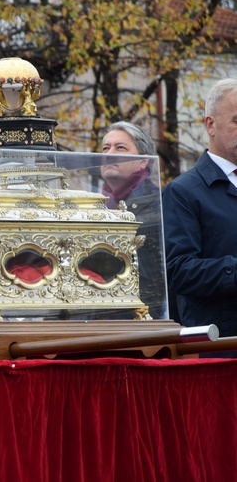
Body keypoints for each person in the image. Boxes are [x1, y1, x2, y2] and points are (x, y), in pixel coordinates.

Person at [163, 78, 237, 353]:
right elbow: (177, 271)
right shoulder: (183, 192)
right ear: (210, 125)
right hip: (219, 351)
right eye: (236, 120)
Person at [100, 121, 166, 319]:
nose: (109, 154)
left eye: (120, 147)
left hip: (143, 319)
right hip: (99, 318)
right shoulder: (97, 206)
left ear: (143, 161)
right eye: (105, 148)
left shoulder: (160, 203)